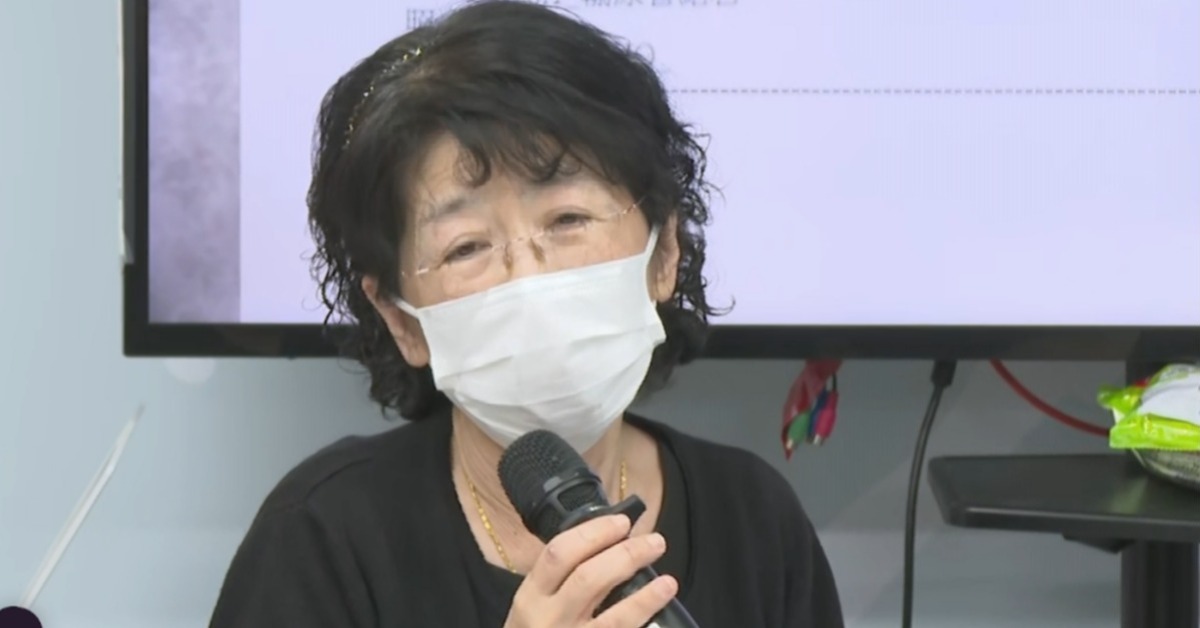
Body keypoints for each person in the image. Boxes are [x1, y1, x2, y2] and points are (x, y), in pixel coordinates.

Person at [209, 2, 843, 626]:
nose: (529, 276)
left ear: (664, 253)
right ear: (401, 320)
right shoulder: (320, 539)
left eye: (568, 219)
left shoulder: (755, 520)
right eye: (466, 248)